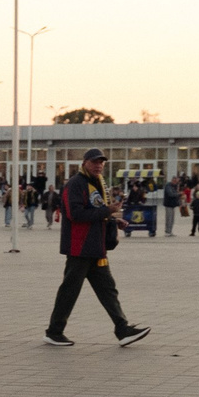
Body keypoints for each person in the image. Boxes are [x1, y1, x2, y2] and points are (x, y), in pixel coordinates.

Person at [45, 150, 149, 349]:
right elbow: (75, 214)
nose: (98, 166)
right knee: (70, 290)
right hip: (80, 247)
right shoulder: (75, 184)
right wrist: (106, 211)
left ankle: (123, 329)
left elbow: (95, 211)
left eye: (101, 163)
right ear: (84, 163)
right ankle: (54, 332)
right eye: (94, 162)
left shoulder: (97, 183)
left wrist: (112, 220)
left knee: (108, 289)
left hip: (96, 247)